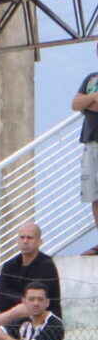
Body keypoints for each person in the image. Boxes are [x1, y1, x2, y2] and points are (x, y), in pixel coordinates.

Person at [76, 44, 98, 230]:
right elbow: (76, 103)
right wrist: (93, 98)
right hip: (91, 142)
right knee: (94, 195)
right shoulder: (91, 79)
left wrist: (88, 102)